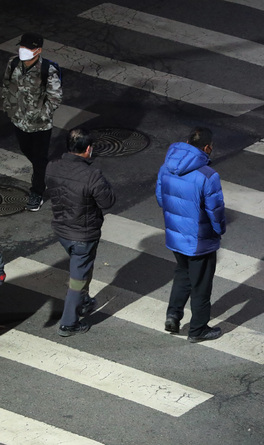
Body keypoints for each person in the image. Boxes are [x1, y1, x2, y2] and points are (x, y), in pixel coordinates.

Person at [156, 127, 226, 343]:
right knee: (201, 285)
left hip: (176, 236)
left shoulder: (166, 167)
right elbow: (215, 211)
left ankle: (173, 315)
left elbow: (161, 198)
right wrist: (219, 230)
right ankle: (198, 329)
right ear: (207, 147)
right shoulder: (208, 175)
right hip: (199, 240)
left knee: (182, 274)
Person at [45, 128, 116, 336]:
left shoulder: (52, 166)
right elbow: (108, 201)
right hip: (83, 235)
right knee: (77, 279)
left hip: (62, 230)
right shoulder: (92, 175)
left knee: (83, 269)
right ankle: (69, 324)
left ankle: (84, 300)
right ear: (88, 149)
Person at [2, 32, 63, 211]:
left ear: (38, 50)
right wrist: (9, 106)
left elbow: (55, 97)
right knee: (26, 150)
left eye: (28, 48)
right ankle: (42, 170)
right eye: (22, 47)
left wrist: (41, 114)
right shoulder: (13, 63)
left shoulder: (47, 70)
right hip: (19, 120)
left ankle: (37, 191)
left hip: (40, 125)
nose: (23, 50)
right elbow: (6, 85)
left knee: (38, 159)